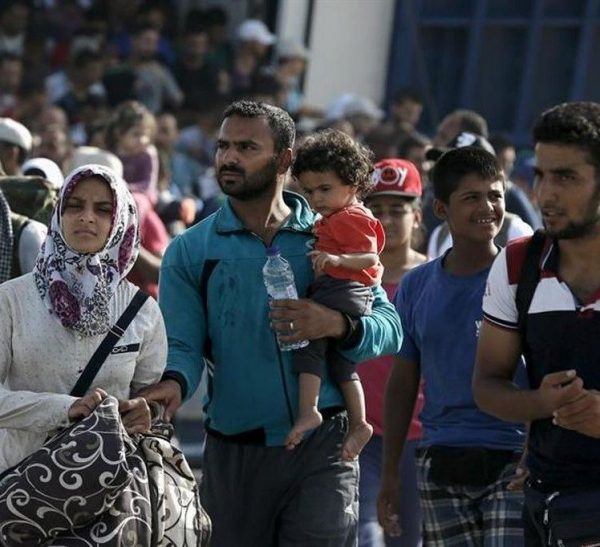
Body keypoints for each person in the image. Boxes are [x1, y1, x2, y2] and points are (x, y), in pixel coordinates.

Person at [140, 100, 402, 547]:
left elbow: (389, 328)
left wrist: (336, 324)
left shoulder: (332, 232)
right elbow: (181, 344)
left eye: (246, 147)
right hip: (234, 450)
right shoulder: (189, 250)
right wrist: (173, 383)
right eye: (223, 146)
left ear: (284, 160)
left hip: (325, 445)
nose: (229, 157)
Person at [378, 147, 526, 545]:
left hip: (513, 459)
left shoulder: (523, 279)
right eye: (472, 197)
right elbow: (403, 381)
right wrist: (391, 472)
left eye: (495, 195)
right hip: (440, 458)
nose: (487, 207)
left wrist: (537, 449)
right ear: (441, 209)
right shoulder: (416, 286)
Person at [472, 101, 600, 545]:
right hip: (546, 503)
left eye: (566, 177)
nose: (545, 194)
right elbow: (487, 384)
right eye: (541, 175)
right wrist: (541, 403)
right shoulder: (517, 264)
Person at [0, 163, 167, 474]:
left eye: (103, 210)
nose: (87, 217)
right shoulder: (11, 299)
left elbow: (151, 399)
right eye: (74, 206)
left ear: (120, 221)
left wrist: (148, 412)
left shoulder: (141, 310)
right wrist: (64, 409)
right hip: (20, 483)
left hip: (108, 486)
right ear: (58, 213)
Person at [285, 129, 384, 461]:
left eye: (325, 189)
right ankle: (359, 422)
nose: (316, 199)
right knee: (343, 365)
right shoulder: (333, 217)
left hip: (343, 290)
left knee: (308, 341)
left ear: (352, 185)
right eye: (309, 191)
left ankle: (308, 410)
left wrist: (338, 260)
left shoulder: (351, 217)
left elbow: (370, 258)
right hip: (343, 290)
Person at [358, 158, 426, 547]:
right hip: (363, 436)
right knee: (363, 536)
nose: (386, 219)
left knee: (409, 540)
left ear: (417, 217)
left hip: (420, 437)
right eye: (377, 210)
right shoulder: (350, 279)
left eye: (397, 210)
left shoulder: (434, 278)